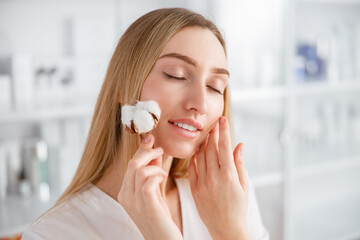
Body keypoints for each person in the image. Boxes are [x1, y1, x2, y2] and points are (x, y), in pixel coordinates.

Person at [22, 8, 269, 240]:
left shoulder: (227, 196)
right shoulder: (53, 234)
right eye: (176, 75)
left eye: (215, 87)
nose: (200, 104)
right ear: (123, 85)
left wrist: (230, 231)